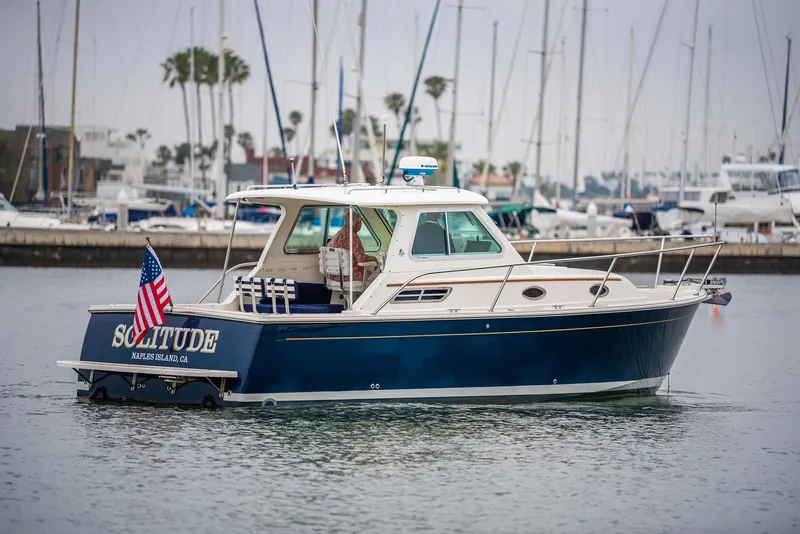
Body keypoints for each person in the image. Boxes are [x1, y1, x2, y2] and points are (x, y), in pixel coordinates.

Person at [326, 211, 378, 283]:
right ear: (357, 222)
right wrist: (374, 258)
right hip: (351, 276)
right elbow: (361, 259)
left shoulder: (338, 234)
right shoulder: (352, 236)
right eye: (360, 222)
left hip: (335, 277)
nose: (361, 224)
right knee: (377, 277)